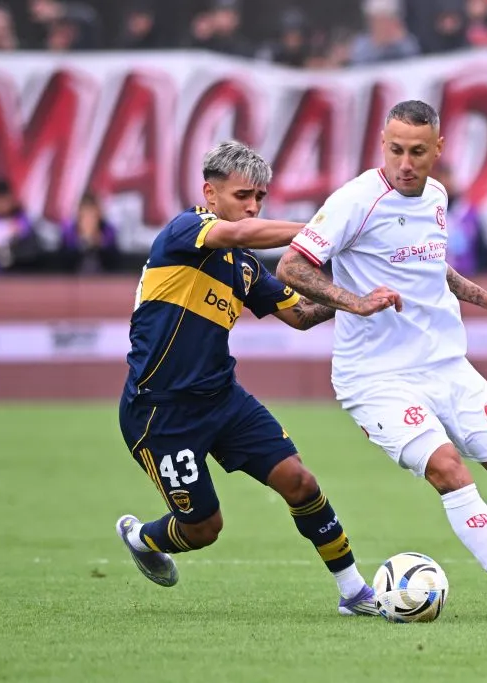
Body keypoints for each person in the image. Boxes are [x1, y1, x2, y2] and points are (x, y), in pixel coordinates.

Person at [275, 100, 487, 624]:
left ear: (438, 150)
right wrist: (355, 301)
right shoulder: (355, 200)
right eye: (395, 150)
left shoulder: (436, 195)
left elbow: (433, 264)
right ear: (382, 144)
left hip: (446, 364)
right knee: (449, 469)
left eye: (417, 152)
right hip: (376, 378)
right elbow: (291, 267)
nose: (405, 163)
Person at [115, 141, 380, 617]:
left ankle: (354, 592)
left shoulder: (244, 267)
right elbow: (248, 232)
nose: (253, 206)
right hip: (160, 412)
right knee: (203, 529)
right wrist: (328, 230)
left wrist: (357, 298)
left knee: (299, 481)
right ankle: (140, 536)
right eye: (243, 195)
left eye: (260, 196)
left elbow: (300, 315)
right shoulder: (185, 230)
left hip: (223, 399)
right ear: (209, 195)